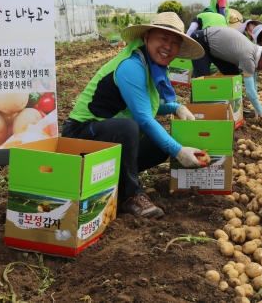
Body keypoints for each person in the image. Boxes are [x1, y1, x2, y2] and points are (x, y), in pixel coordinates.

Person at [61, 12, 207, 220]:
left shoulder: (152, 66)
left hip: (104, 132)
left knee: (157, 145)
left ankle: (115, 181)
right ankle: (130, 195)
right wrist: (179, 151)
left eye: (174, 43)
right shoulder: (131, 66)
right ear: (147, 37)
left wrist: (175, 108)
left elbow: (143, 104)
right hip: (79, 134)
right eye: (163, 38)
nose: (168, 46)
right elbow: (143, 117)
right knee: (130, 127)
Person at [190, 26, 262, 125]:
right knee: (202, 82)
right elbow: (250, 90)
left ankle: (231, 109)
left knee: (233, 75)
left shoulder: (256, 52)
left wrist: (257, 108)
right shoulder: (249, 58)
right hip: (201, 40)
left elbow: (253, 83)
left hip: (213, 44)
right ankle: (193, 113)